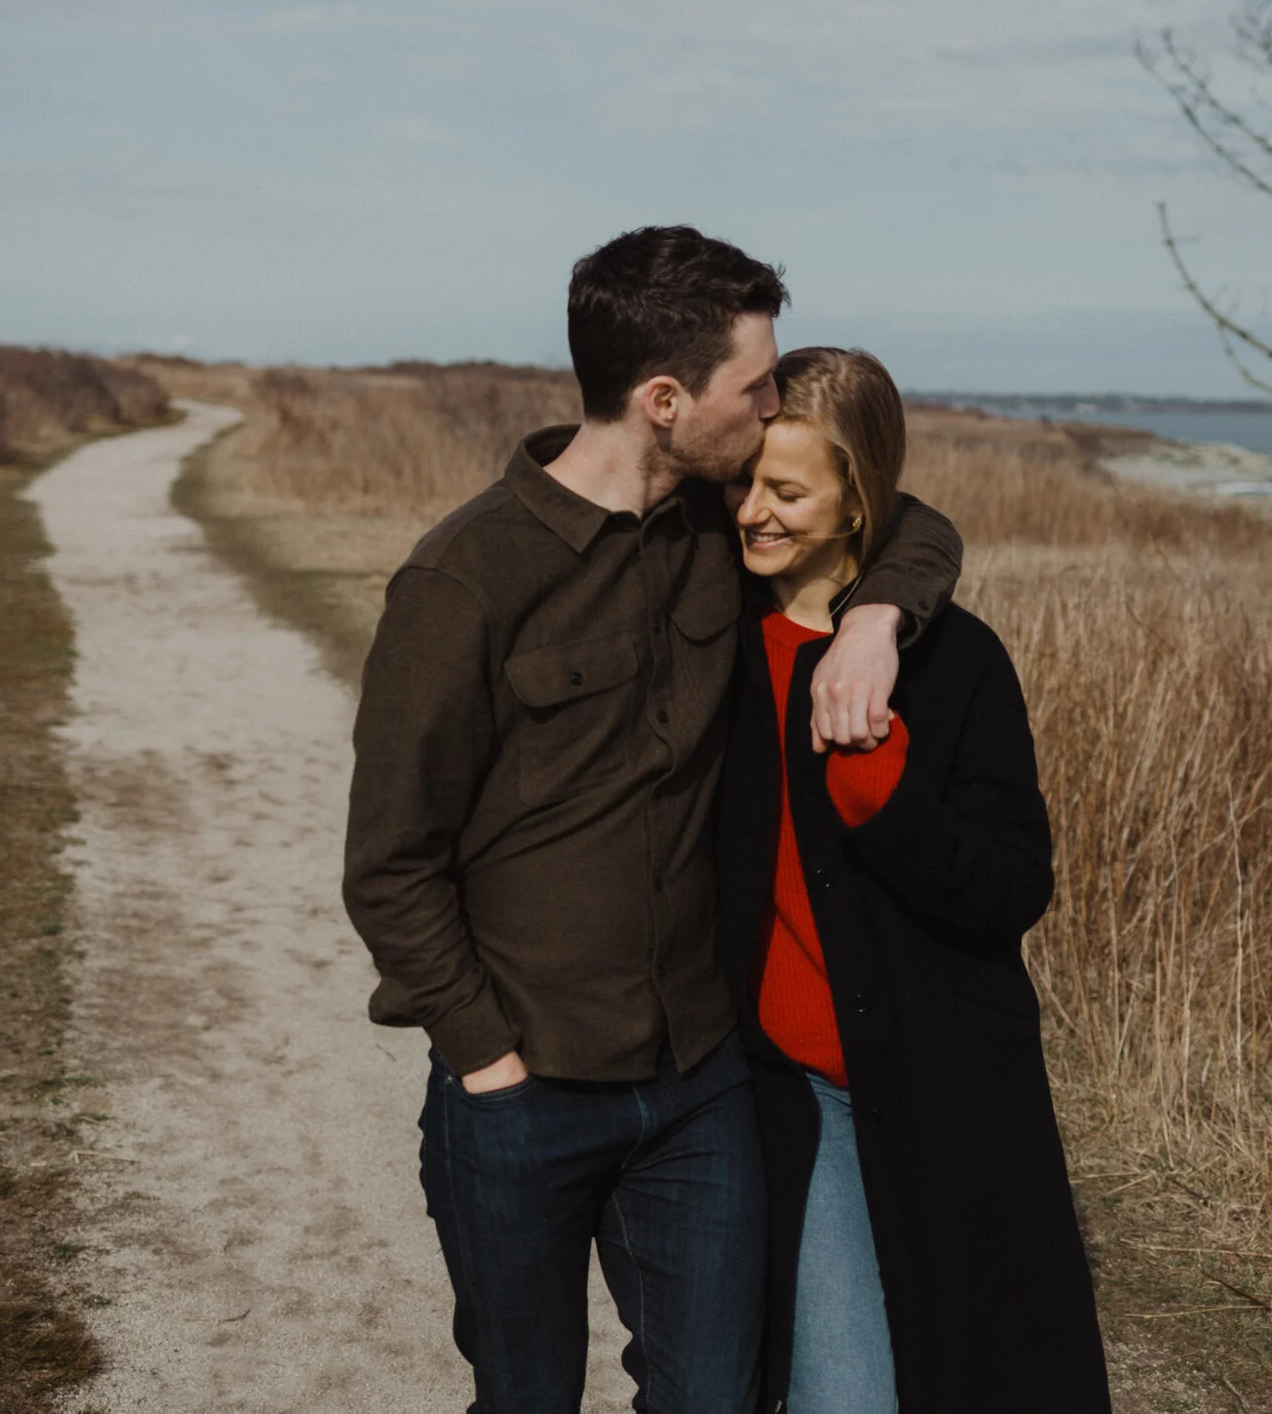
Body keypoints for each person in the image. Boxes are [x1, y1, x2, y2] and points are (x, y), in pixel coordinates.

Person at [342, 228, 962, 1414]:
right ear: (665, 399)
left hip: (698, 1084)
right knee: (525, 1398)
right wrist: (488, 1063)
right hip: (522, 1089)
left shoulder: (716, 531)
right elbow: (389, 866)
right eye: (757, 384)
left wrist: (879, 617)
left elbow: (909, 525)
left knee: (717, 1398)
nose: (775, 402)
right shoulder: (462, 580)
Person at [718, 347, 1111, 1414]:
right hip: (780, 1098)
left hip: (943, 1093)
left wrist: (883, 797)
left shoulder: (957, 661)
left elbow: (1011, 883)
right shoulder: (706, 633)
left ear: (855, 503)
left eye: (786, 491)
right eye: (743, 481)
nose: (751, 511)